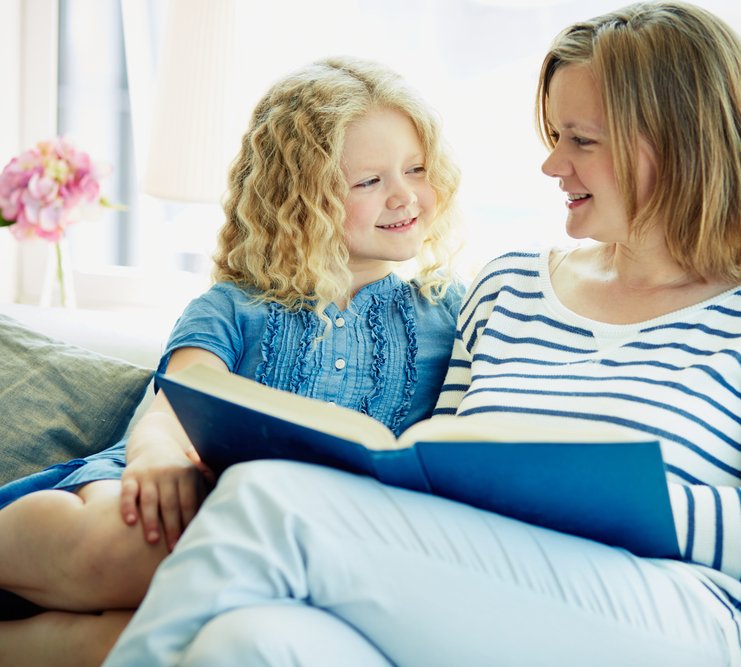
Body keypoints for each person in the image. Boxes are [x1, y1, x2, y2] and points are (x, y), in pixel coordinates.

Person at [100, 3, 741, 666]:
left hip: (674, 618)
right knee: (247, 644)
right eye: (554, 134)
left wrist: (595, 494)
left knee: (270, 500)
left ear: (675, 142)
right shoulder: (506, 289)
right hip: (486, 600)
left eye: (580, 140)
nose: (551, 161)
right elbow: (446, 460)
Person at [0, 56, 464, 666]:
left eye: (416, 168)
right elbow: (178, 401)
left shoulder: (448, 311)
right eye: (368, 182)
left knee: (167, 633)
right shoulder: (237, 305)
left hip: (293, 538)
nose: (404, 194)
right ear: (299, 200)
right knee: (138, 545)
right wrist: (160, 455)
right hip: (167, 495)